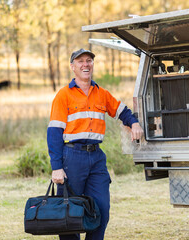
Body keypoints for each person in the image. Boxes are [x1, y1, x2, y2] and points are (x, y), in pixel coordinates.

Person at [47, 48, 143, 240]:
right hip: (72, 157)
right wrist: (56, 167)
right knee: (69, 209)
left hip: (97, 157)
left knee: (101, 208)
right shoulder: (63, 95)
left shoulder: (101, 93)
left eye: (89, 60)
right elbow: (54, 132)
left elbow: (121, 111)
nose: (85, 64)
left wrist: (133, 122)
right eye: (80, 61)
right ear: (72, 66)